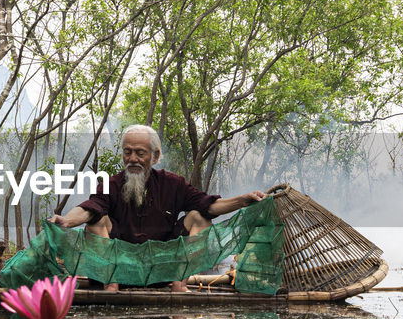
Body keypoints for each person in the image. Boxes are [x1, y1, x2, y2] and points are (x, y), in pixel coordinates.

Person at [49, 124, 266, 292]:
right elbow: (90, 208)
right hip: (119, 269)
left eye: (140, 153)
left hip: (164, 268)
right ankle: (111, 286)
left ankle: (179, 285)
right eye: (127, 152)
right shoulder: (111, 185)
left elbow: (209, 205)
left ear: (155, 156)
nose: (132, 159)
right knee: (96, 220)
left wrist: (242, 201)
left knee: (199, 217)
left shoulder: (173, 184)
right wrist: (66, 220)